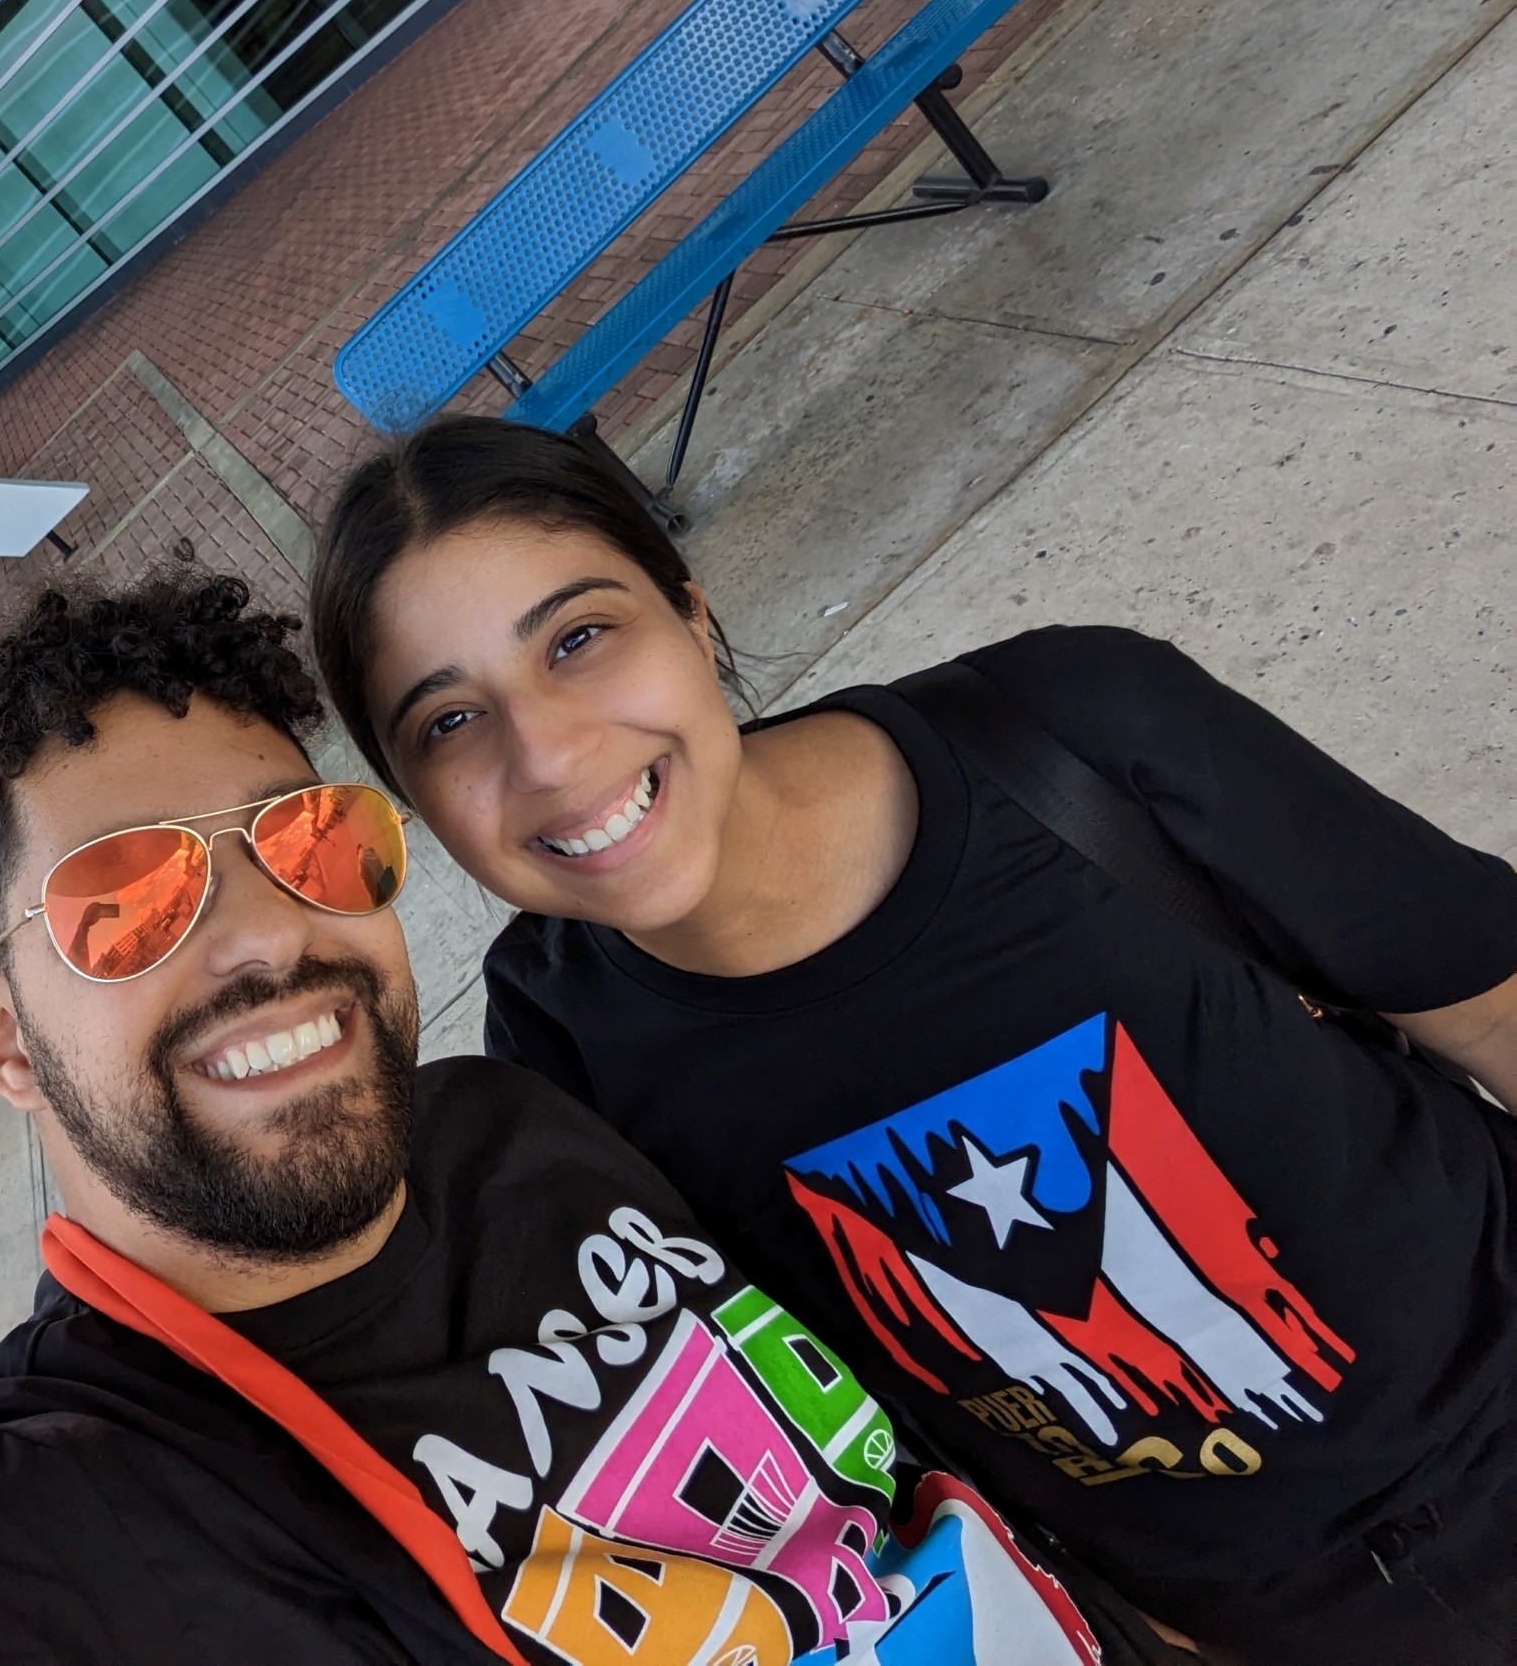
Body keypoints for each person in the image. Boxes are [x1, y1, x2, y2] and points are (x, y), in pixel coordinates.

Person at [0, 571, 1143, 1666]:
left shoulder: (520, 1113)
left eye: (309, 838)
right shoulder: (89, 1504)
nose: (267, 937)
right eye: (123, 900)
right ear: (0, 1034)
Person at [305, 415, 1517, 1662]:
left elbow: (1488, 1001)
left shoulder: (1072, 730)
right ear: (415, 802)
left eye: (579, 637)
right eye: (448, 722)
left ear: (690, 610)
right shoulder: (559, 1050)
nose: (548, 751)